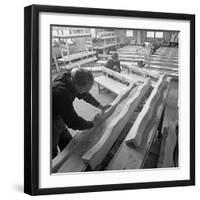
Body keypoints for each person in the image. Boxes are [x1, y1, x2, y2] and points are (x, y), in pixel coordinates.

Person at [52, 68, 110, 158]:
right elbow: (73, 122)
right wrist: (91, 124)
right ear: (77, 86)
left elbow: (85, 95)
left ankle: (69, 161)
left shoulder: (70, 78)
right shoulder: (61, 93)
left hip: (58, 115)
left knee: (69, 144)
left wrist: (100, 106)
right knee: (51, 152)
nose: (87, 91)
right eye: (86, 89)